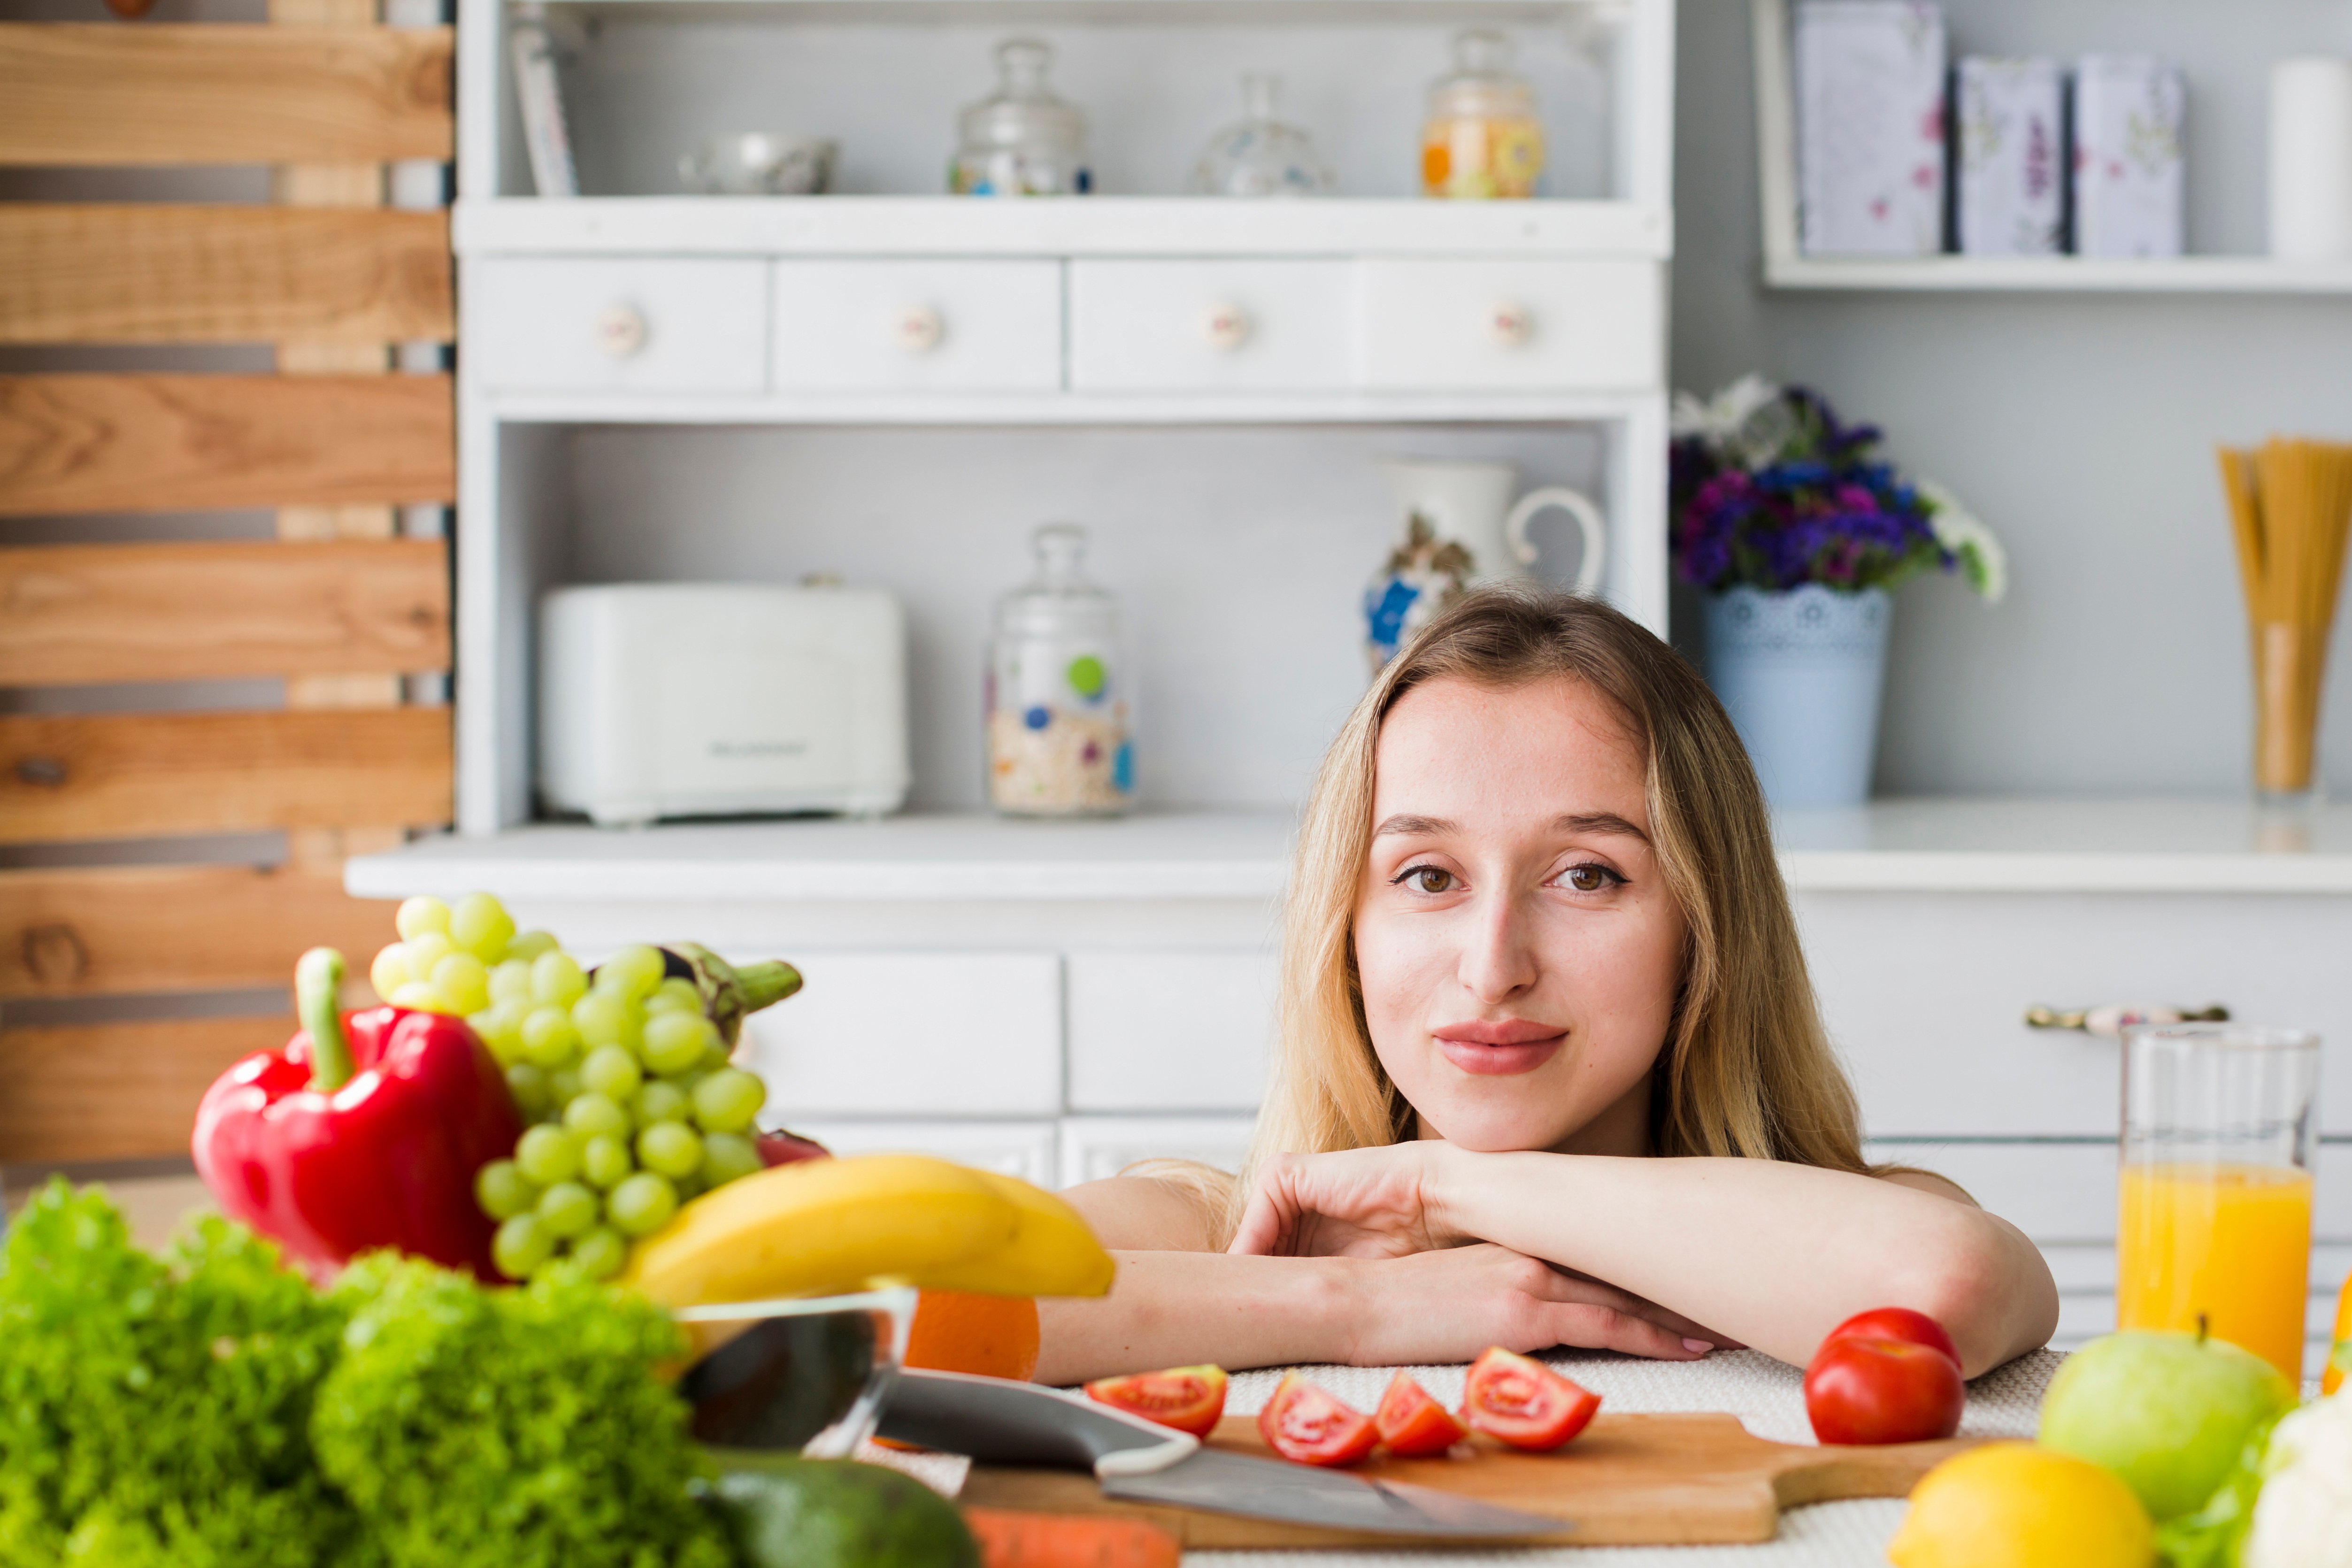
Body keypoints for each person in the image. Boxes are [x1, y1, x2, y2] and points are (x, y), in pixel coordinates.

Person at [1034, 585, 2056, 1387]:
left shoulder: (1833, 1229)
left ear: (1705, 930)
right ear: (1346, 934)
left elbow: (1945, 1286)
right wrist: (1351, 1302)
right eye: (1427, 876)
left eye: (1587, 875)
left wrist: (1447, 1184)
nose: (1493, 965)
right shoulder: (1219, 1231)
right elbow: (890, 1313)